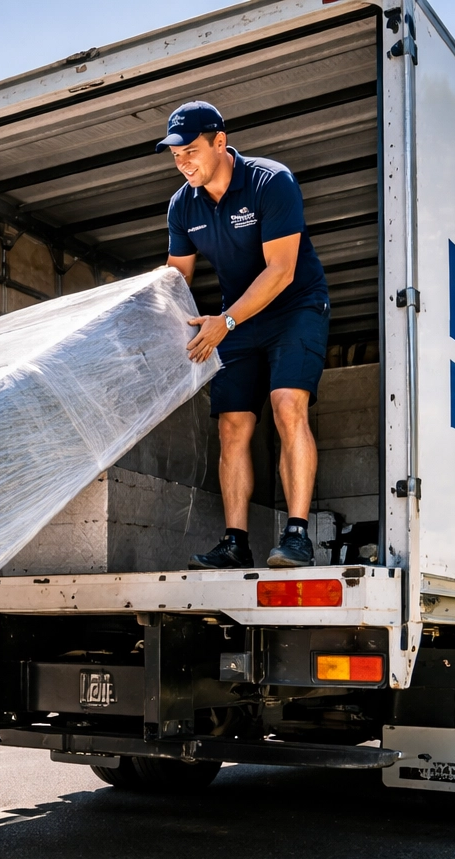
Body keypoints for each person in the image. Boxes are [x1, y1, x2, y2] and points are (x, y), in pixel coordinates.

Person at [158, 101, 332, 569]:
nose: (183, 163)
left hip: (295, 307)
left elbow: (281, 271)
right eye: (175, 156)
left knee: (285, 404)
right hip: (237, 318)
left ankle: (295, 537)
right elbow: (176, 280)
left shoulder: (270, 181)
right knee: (232, 425)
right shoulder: (182, 205)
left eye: (191, 151)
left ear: (220, 142)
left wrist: (226, 322)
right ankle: (236, 543)